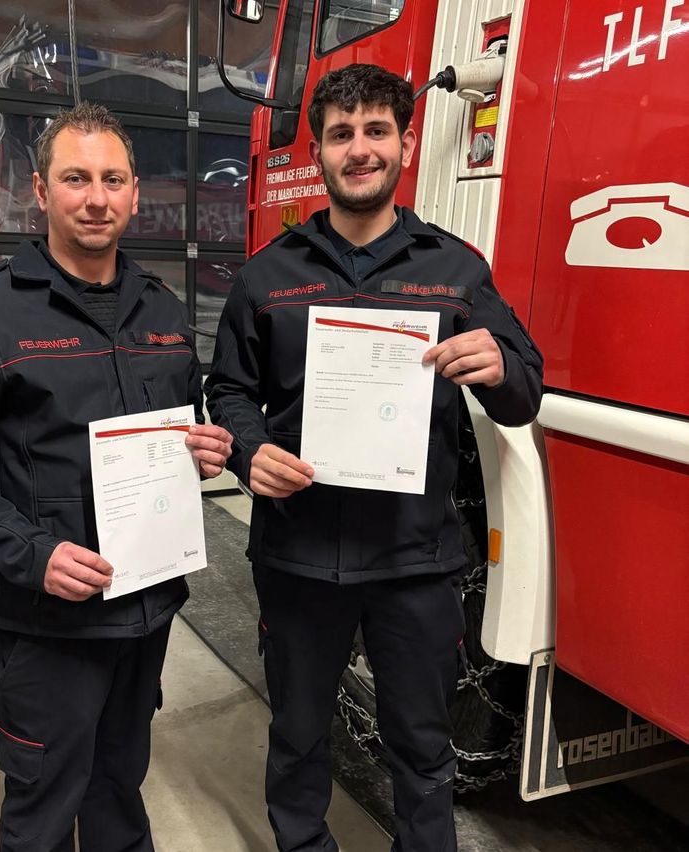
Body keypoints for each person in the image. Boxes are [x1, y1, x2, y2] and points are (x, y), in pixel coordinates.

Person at [204, 64, 543, 852]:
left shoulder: (458, 270)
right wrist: (250, 452)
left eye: (376, 131)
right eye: (341, 134)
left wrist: (500, 367)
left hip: (413, 562)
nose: (359, 150)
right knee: (296, 733)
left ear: (406, 142)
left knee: (422, 748)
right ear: (319, 153)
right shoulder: (266, 276)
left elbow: (522, 397)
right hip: (298, 555)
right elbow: (227, 391)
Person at [0, 102, 232, 852]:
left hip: (145, 611)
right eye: (76, 178)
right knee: (44, 808)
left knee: (119, 791)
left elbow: (182, 428)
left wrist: (203, 449)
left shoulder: (164, 311)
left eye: (112, 179)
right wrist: (35, 555)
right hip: (48, 624)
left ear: (134, 191)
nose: (96, 197)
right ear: (40, 189)